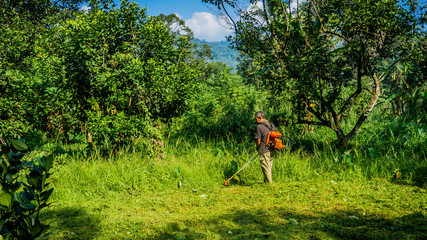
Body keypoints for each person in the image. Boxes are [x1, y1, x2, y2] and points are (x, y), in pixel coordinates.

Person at [254, 111, 275, 184]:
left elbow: (258, 140)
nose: (256, 120)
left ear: (260, 117)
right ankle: (266, 182)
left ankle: (269, 184)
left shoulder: (259, 126)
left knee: (265, 167)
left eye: (256, 118)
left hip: (264, 149)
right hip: (272, 148)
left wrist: (258, 147)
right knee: (268, 166)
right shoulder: (271, 125)